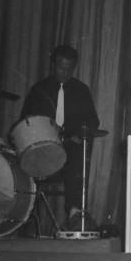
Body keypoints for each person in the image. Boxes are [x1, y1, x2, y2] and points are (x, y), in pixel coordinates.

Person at [20, 45, 100, 231]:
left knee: (77, 154)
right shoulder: (39, 90)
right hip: (43, 147)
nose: (65, 72)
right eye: (61, 68)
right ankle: (27, 218)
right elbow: (26, 121)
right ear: (52, 66)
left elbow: (92, 121)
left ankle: (74, 211)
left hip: (70, 146)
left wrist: (79, 134)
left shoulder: (81, 90)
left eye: (69, 69)